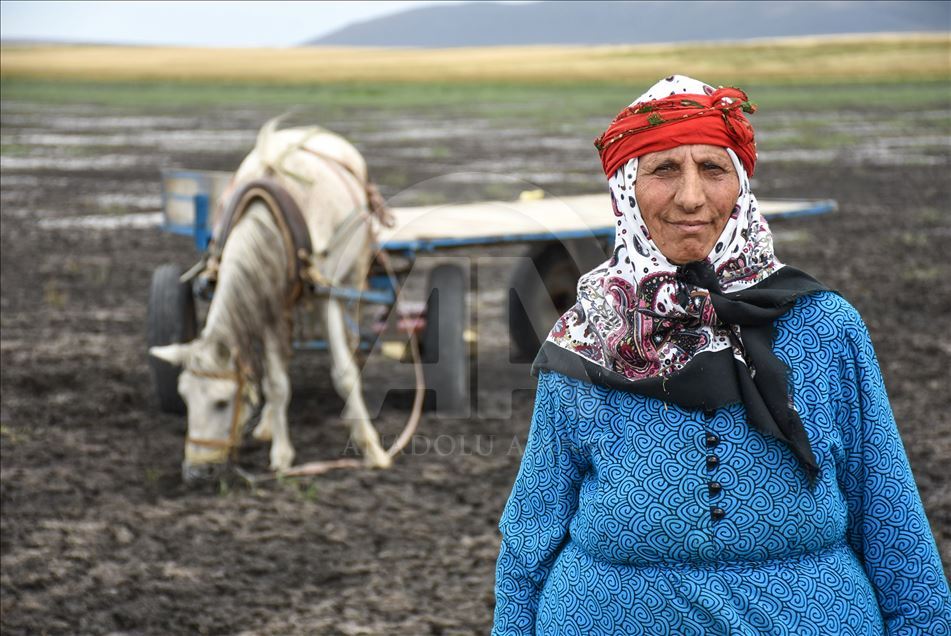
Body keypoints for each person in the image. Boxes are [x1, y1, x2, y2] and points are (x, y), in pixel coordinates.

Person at [492, 75, 950, 635]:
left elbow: (889, 514)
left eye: (713, 169)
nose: (691, 197)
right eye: (663, 170)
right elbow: (530, 532)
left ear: (742, 187)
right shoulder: (588, 333)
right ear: (626, 191)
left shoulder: (824, 327)